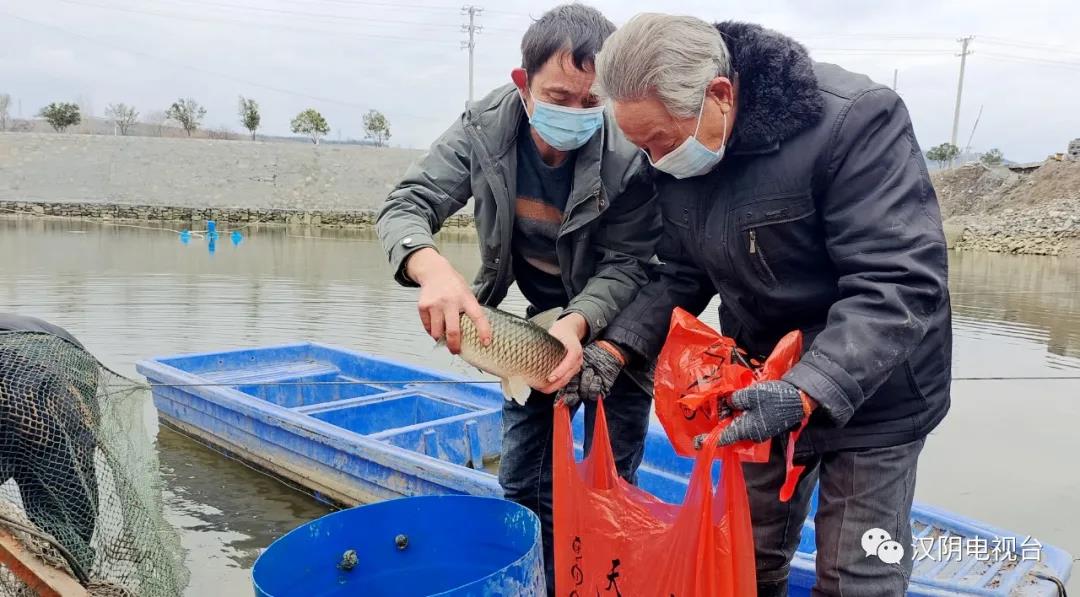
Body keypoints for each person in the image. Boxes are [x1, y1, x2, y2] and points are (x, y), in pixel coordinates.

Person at [560, 14, 952, 596]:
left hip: (875, 388)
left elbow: (897, 281)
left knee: (857, 578)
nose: (654, 158)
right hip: (757, 376)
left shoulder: (855, 119)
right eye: (641, 146)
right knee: (744, 553)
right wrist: (616, 349)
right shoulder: (676, 153)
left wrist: (807, 388)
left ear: (719, 95)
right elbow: (680, 269)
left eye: (660, 142)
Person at [374, 5, 659, 593]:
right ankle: (538, 578)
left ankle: (604, 576)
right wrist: (432, 271)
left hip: (619, 329)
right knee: (525, 479)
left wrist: (582, 324)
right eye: (560, 95)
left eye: (592, 101)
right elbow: (406, 205)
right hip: (535, 322)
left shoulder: (629, 155)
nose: (577, 113)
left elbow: (632, 263)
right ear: (522, 83)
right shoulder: (482, 131)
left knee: (613, 480)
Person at [0, 314, 100, 571]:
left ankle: (67, 569)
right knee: (66, 520)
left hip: (44, 396)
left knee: (62, 518)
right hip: (70, 382)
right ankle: (72, 569)